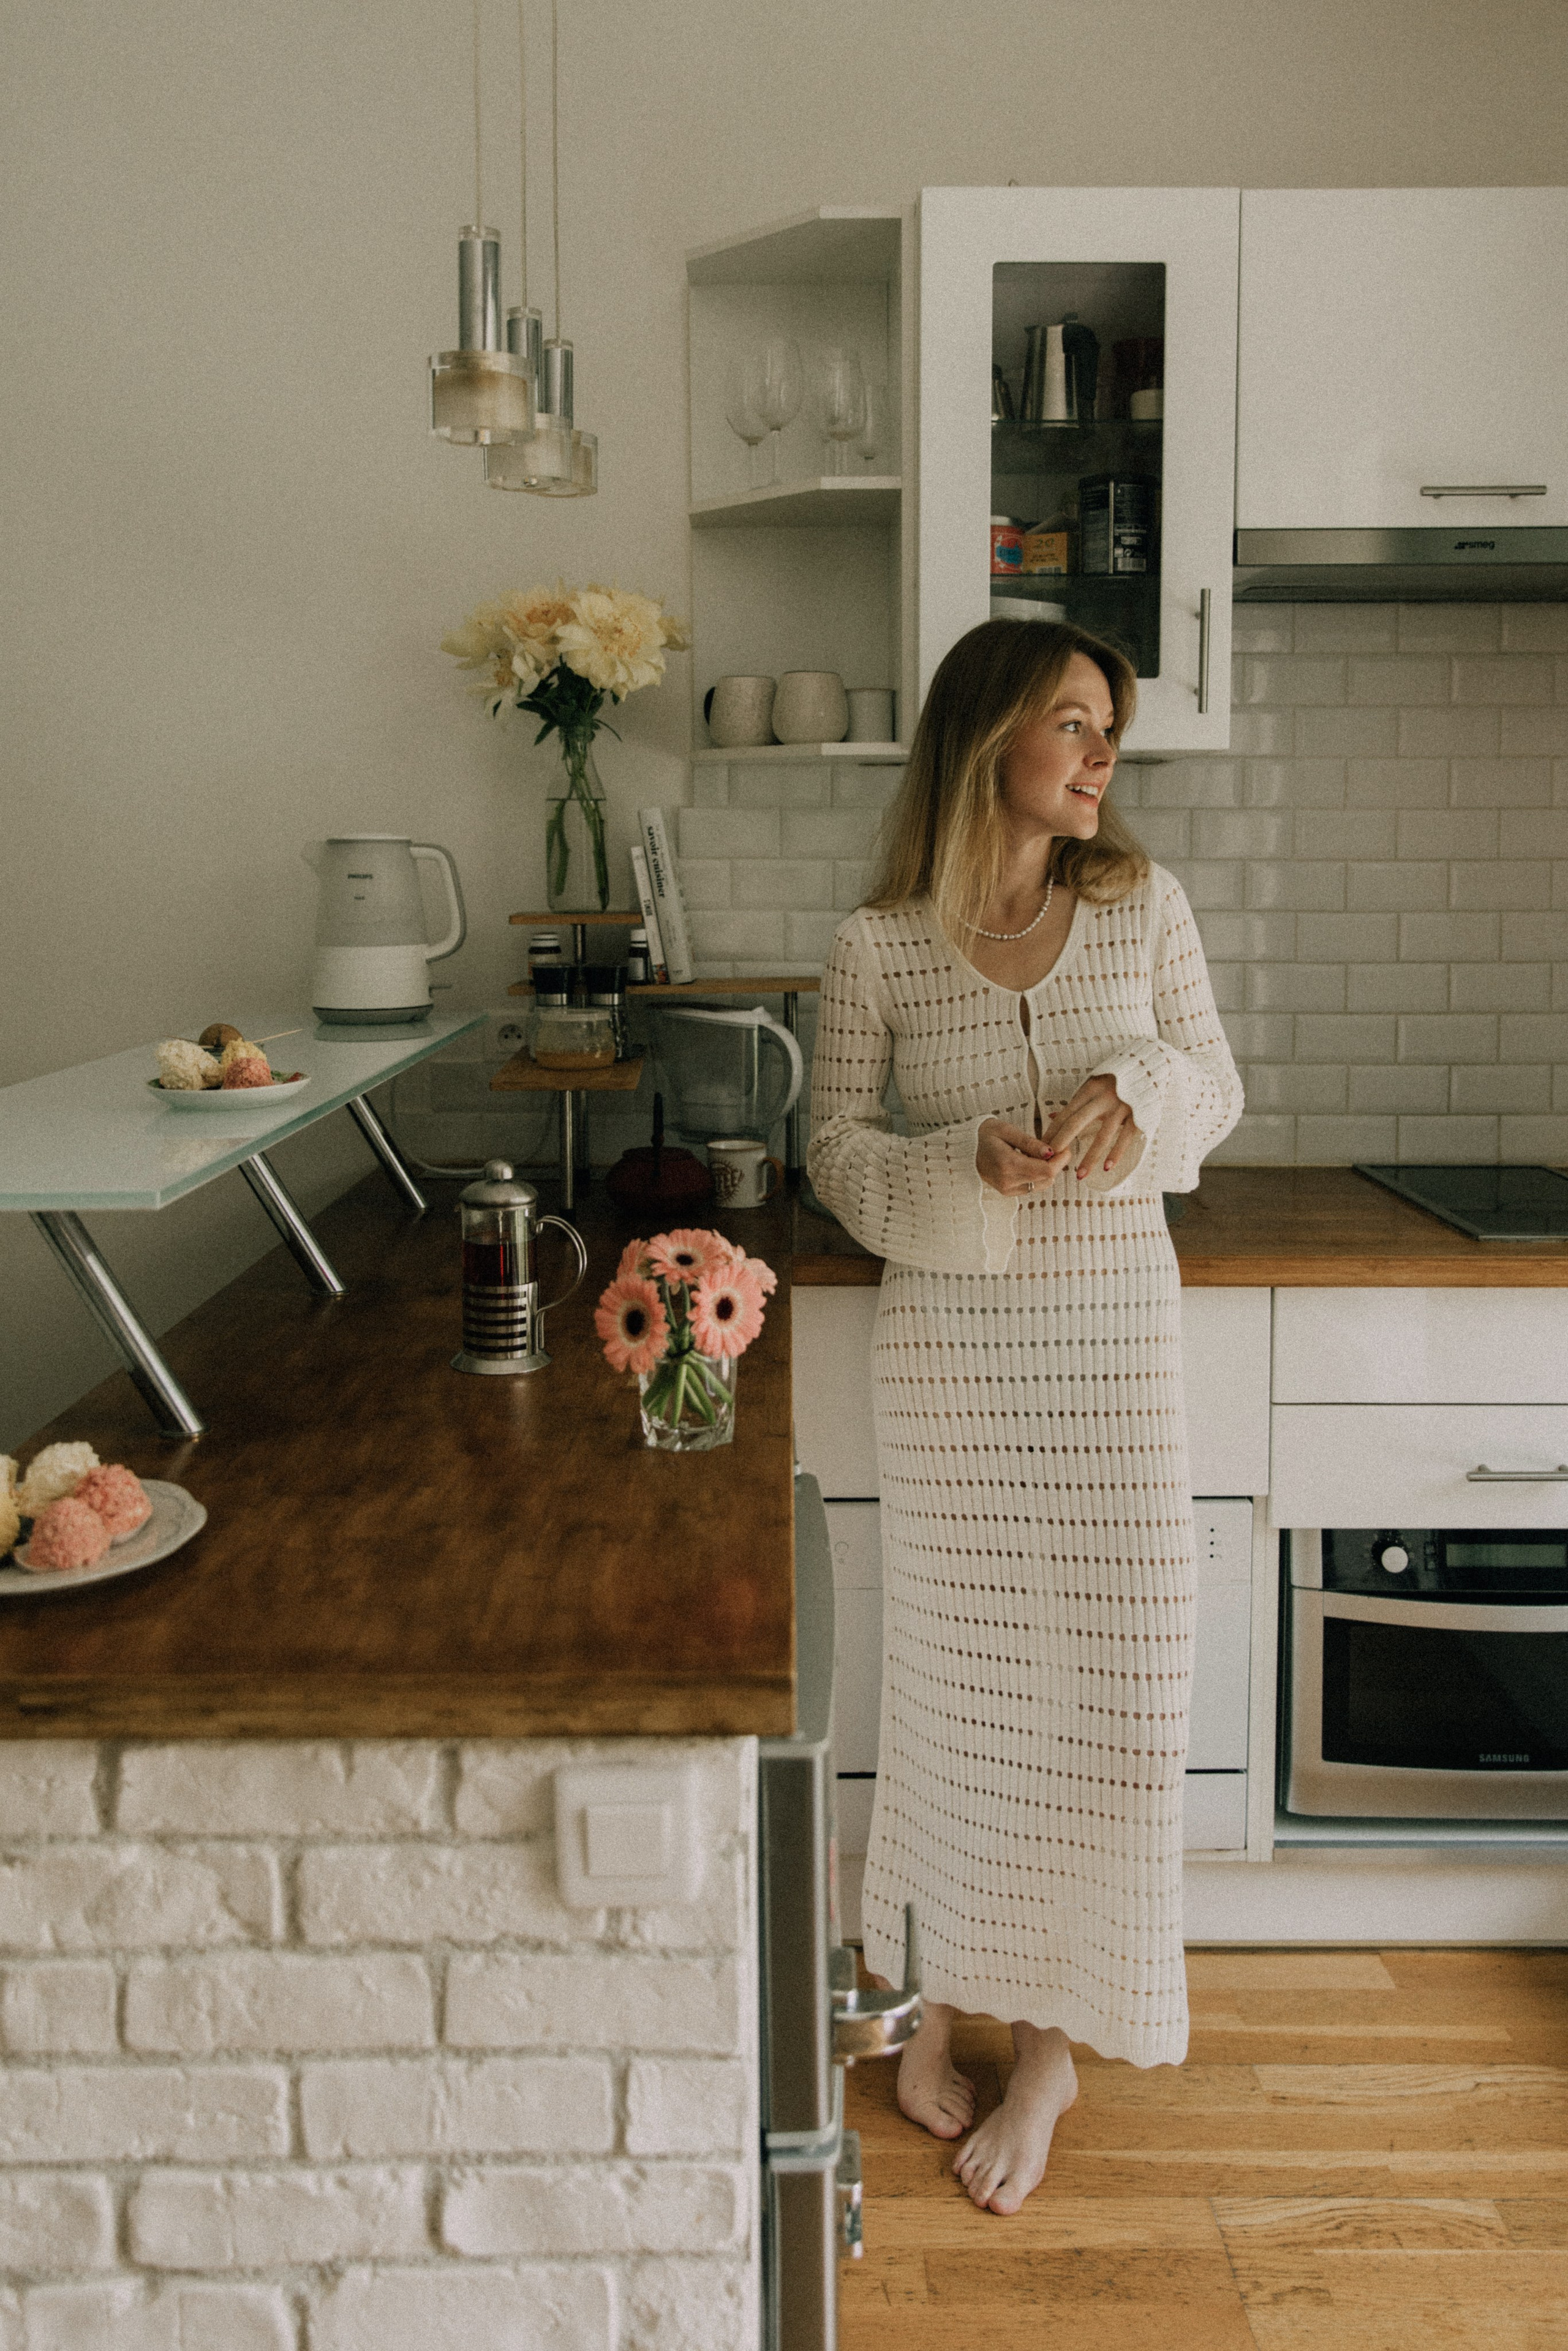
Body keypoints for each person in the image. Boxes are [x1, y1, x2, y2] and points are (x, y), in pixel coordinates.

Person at [807, 617, 1243, 2215]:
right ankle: (930, 1995)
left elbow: (1216, 1088)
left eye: (1108, 724)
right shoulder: (878, 948)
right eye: (1075, 720)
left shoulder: (1142, 907)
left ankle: (1051, 2051)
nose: (1104, 751)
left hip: (1113, 1354)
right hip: (958, 1371)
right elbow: (834, 1151)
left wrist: (1144, 1090)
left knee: (1117, 1703)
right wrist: (959, 1163)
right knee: (958, 1708)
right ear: (991, 734)